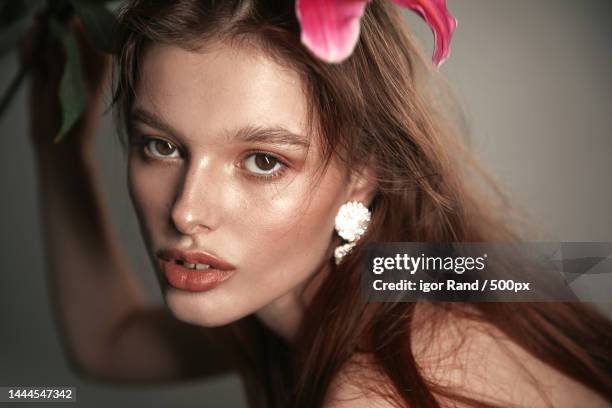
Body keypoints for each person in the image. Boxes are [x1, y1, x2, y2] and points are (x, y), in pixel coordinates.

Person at [21, 0, 612, 407]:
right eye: (163, 145)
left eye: (263, 161)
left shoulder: (376, 388)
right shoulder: (397, 279)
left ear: (363, 174)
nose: (186, 211)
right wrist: (60, 145)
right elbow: (111, 342)